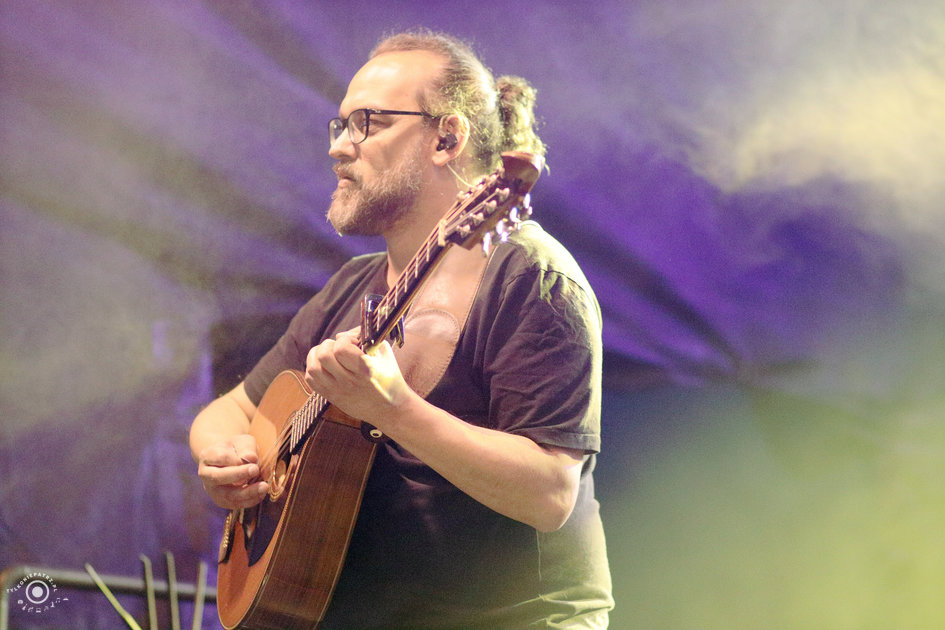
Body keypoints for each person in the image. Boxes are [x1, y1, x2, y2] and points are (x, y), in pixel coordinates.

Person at [190, 29, 613, 629]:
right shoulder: (352, 286)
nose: (340, 147)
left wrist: (393, 409)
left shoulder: (533, 280)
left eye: (368, 123)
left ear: (446, 138)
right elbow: (227, 412)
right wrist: (225, 459)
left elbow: (549, 493)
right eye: (340, 126)